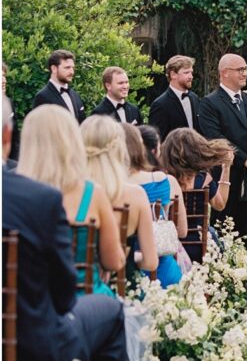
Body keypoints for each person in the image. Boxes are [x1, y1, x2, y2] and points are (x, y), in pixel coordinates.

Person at [3, 96, 126, 361]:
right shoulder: (38, 199)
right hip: (32, 342)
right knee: (110, 309)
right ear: (7, 133)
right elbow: (63, 293)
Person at [17, 105, 125, 298]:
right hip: (84, 301)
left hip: (26, 305)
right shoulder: (91, 193)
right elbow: (114, 262)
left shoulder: (12, 195)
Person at [198, 53, 247, 248]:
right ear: (224, 73)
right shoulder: (209, 103)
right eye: (240, 69)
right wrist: (245, 160)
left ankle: (244, 270)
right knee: (223, 229)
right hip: (226, 176)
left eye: (245, 69)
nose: (244, 73)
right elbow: (216, 138)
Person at [80, 115, 158, 277]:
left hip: (75, 288)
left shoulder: (71, 194)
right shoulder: (136, 195)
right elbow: (150, 262)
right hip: (124, 285)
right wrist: (129, 258)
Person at [123, 123, 187, 286]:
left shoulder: (111, 186)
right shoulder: (162, 180)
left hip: (125, 272)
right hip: (164, 269)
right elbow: (181, 231)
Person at [160, 128, 234, 262]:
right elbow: (220, 205)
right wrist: (226, 168)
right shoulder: (204, 179)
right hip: (201, 245)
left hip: (171, 247)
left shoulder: (164, 181)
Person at [148, 55, 201, 139]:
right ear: (173, 75)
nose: (191, 76)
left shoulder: (195, 98)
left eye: (191, 72)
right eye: (186, 72)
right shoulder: (160, 105)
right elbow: (157, 140)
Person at [31, 48, 86, 123]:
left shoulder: (75, 95)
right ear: (54, 69)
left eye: (73, 68)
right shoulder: (42, 97)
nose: (72, 72)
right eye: (67, 68)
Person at [2, 63, 20, 162]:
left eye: (4, 76)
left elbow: (15, 137)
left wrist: (15, 163)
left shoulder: (8, 103)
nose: (3, 81)